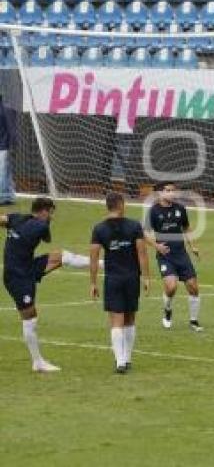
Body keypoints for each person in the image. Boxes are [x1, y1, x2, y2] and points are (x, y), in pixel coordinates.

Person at [2, 197, 92, 372]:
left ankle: (103, 263)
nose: (52, 217)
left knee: (62, 256)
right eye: (51, 213)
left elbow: (4, 219)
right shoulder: (41, 226)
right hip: (18, 277)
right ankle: (38, 362)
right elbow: (46, 239)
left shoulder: (17, 218)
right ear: (43, 211)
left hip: (27, 267)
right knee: (30, 317)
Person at [89, 192, 150, 374]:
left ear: (107, 206)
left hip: (113, 279)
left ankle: (120, 361)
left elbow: (94, 258)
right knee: (130, 317)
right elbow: (142, 253)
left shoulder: (99, 229)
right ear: (121, 205)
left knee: (116, 319)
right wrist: (146, 277)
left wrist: (92, 283)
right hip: (132, 277)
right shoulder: (134, 226)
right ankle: (128, 358)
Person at [145, 181, 202, 332]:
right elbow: (144, 233)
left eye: (173, 190)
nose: (172, 193)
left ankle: (194, 321)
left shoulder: (180, 209)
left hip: (181, 254)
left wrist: (193, 246)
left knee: (193, 287)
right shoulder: (153, 211)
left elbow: (186, 228)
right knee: (171, 287)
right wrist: (156, 246)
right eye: (168, 190)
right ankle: (168, 310)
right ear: (160, 193)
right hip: (165, 256)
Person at [0, 95, 16, 205]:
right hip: (4, 145)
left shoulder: (7, 109)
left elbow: (11, 129)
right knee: (6, 172)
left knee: (3, 172)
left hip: (4, 145)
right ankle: (8, 196)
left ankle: (4, 196)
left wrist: (13, 144)